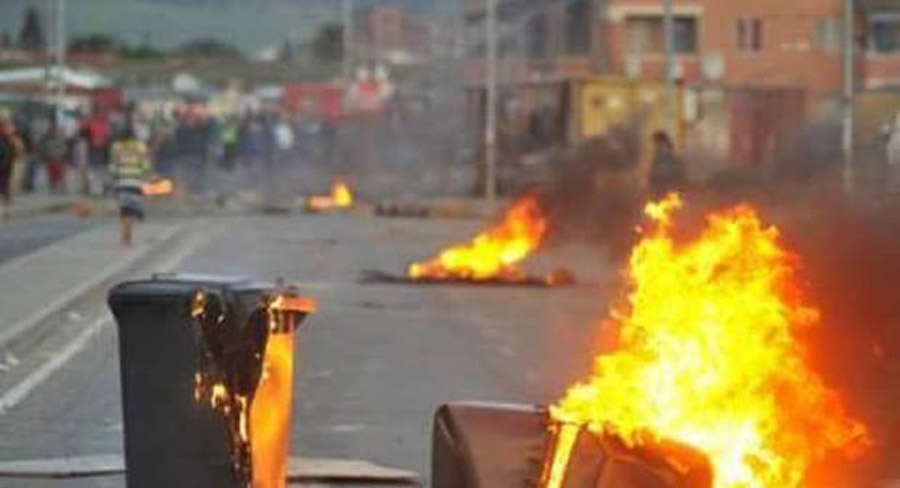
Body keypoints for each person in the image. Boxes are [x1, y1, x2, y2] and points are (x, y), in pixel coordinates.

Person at [110, 127, 152, 246]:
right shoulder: (140, 147)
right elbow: (145, 166)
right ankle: (137, 213)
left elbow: (113, 166)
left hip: (122, 181)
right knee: (132, 205)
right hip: (135, 182)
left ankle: (125, 238)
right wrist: (147, 176)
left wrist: (112, 178)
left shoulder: (117, 147)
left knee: (124, 209)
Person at [648, 130, 686, 198]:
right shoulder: (661, 149)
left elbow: (662, 163)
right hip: (664, 180)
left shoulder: (664, 149)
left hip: (667, 179)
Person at [0, 111, 22, 221]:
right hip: (5, 162)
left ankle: (4, 211)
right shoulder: (8, 135)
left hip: (6, 162)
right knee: (4, 185)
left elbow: (15, 150)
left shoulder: (9, 136)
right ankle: (3, 211)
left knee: (5, 185)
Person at [40, 118, 68, 194]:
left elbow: (63, 147)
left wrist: (60, 154)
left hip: (58, 157)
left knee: (60, 173)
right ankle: (54, 187)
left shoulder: (60, 136)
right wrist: (44, 155)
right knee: (52, 174)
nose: (53, 128)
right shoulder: (46, 136)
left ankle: (62, 188)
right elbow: (43, 147)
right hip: (50, 157)